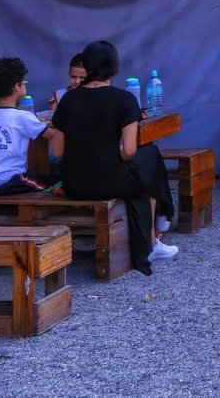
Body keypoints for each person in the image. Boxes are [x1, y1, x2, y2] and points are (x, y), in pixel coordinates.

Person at [51, 40, 176, 274]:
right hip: (110, 181)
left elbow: (57, 152)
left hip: (74, 183)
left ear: (86, 67)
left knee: (145, 165)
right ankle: (158, 228)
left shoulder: (68, 100)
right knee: (150, 155)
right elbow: (129, 150)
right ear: (114, 67)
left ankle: (157, 230)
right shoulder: (124, 99)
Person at [0, 58, 59, 194]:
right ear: (17, 86)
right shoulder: (22, 117)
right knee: (50, 181)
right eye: (24, 82)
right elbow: (53, 135)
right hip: (10, 181)